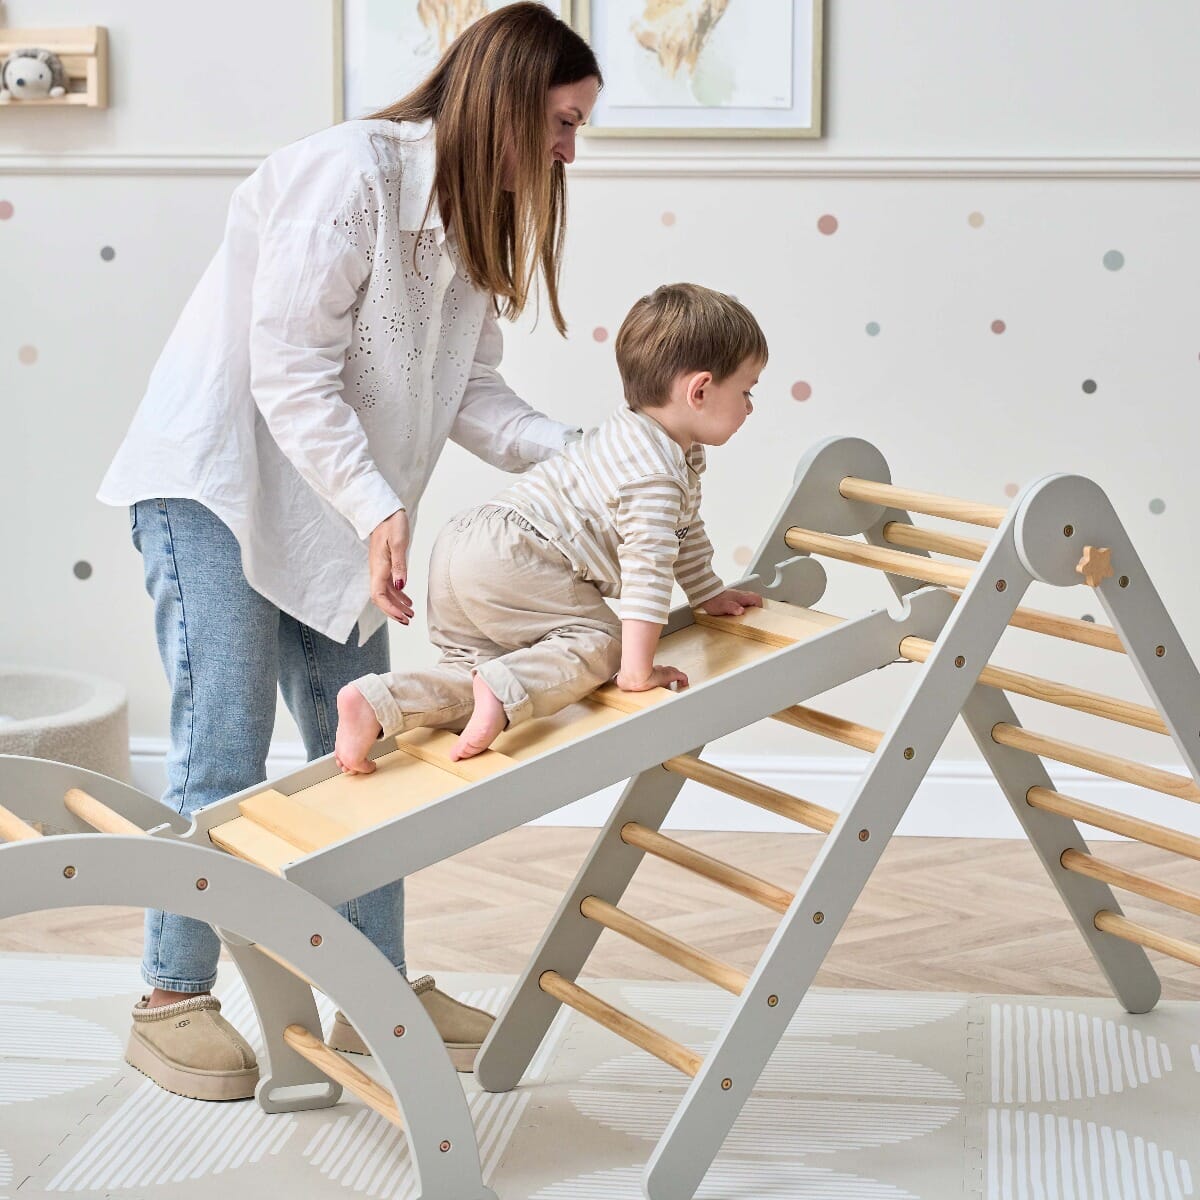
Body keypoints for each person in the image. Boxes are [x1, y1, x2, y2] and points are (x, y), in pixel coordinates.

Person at [95, 3, 602, 1100]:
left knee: (364, 757)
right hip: (218, 488)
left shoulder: (469, 225)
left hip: (336, 514)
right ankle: (169, 1000)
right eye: (563, 123)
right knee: (221, 752)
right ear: (510, 104)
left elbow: (472, 392)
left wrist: (595, 455)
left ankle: (373, 993)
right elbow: (288, 369)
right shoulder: (348, 175)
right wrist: (381, 509)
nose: (571, 152)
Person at [334, 282, 766, 773]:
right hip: (521, 557)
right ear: (701, 390)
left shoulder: (629, 435)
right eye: (747, 391)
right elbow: (649, 571)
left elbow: (680, 534)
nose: (751, 406)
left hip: (465, 542)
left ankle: (377, 701)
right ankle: (502, 692)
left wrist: (708, 592)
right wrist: (636, 670)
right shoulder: (656, 475)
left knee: (467, 672)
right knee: (600, 643)